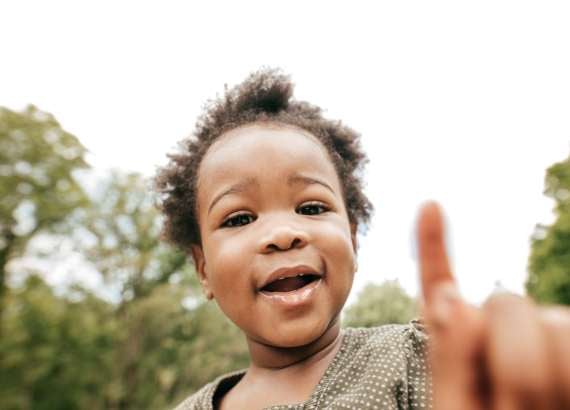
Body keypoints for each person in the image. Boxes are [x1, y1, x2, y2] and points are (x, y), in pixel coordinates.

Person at [155, 69, 570, 409]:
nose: (282, 234)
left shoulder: (422, 365)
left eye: (312, 208)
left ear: (353, 239)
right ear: (203, 269)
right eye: (240, 217)